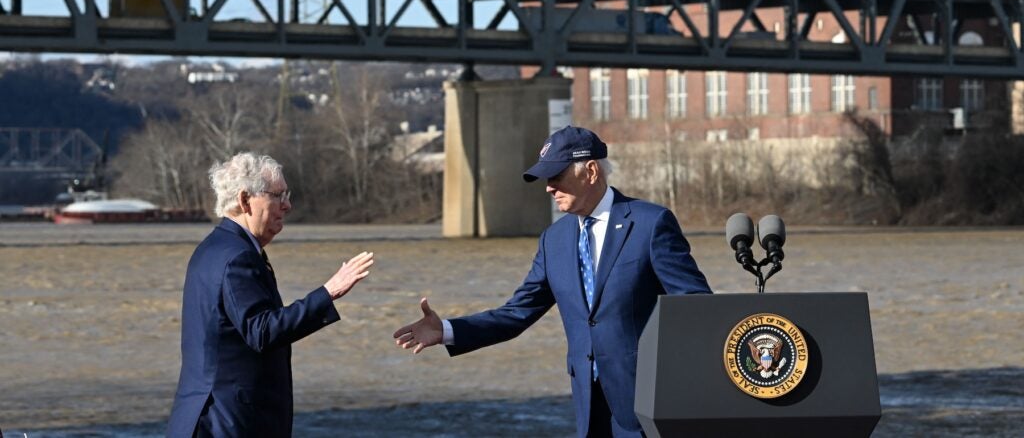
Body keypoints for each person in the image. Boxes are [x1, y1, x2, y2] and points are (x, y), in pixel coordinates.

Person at [393, 126, 711, 437]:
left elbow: (696, 307)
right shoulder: (553, 241)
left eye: (556, 176)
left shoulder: (649, 223)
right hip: (590, 408)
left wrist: (686, 384)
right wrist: (447, 330)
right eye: (546, 179)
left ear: (590, 171)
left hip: (650, 406)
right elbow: (516, 313)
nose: (548, 187)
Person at [167, 152, 374, 438]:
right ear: (244, 200)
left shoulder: (214, 248)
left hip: (209, 418)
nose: (287, 205)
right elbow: (261, 331)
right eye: (277, 196)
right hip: (228, 424)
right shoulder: (238, 257)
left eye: (286, 195)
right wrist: (328, 292)